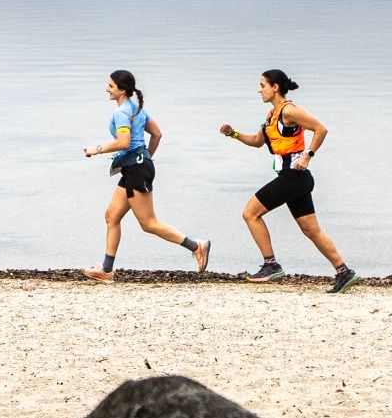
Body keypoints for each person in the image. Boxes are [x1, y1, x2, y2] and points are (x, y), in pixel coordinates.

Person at [219, 68, 357, 293]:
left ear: (275, 88)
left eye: (262, 85)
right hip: (296, 180)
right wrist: (233, 134)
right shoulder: (272, 115)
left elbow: (321, 129)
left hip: (294, 177)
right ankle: (344, 272)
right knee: (311, 230)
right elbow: (256, 141)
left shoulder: (289, 111)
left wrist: (308, 155)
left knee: (250, 213)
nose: (259, 90)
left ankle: (271, 265)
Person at [80, 69, 210, 279]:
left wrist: (97, 149)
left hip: (137, 170)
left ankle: (196, 246)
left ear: (122, 90)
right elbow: (157, 134)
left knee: (148, 223)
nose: (107, 89)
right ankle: (106, 270)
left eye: (111, 86)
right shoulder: (137, 108)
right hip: (137, 167)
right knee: (112, 216)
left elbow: (124, 142)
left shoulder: (122, 112)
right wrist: (146, 155)